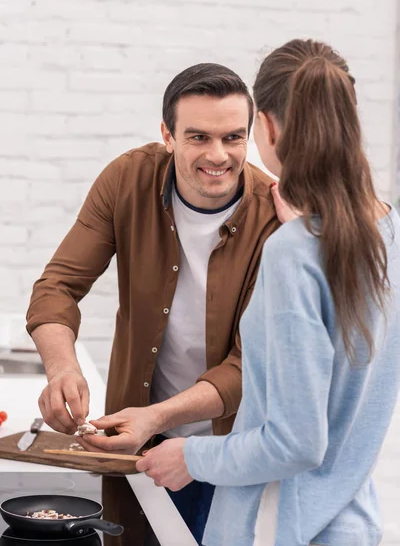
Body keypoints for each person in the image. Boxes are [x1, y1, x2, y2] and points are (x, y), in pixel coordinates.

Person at [130, 39, 400, 546]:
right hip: (349, 525)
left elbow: (295, 444)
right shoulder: (389, 236)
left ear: (268, 127)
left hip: (274, 531)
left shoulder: (295, 252)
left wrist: (190, 456)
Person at [26, 62, 280, 545]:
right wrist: (62, 367)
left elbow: (252, 365)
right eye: (198, 137)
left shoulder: (274, 215)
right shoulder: (127, 180)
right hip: (138, 443)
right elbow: (57, 286)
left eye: (233, 137)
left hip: (231, 449)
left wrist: (158, 416)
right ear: (167, 134)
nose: (218, 155)